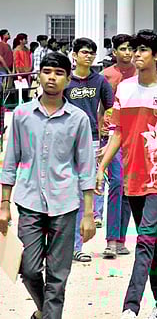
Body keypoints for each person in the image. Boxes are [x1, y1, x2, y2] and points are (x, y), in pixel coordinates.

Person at [95, 29, 157, 319]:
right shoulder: (125, 89)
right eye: (135, 50)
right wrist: (102, 167)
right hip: (132, 175)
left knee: (144, 239)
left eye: (143, 50)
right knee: (151, 240)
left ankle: (130, 307)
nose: (136, 55)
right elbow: (117, 133)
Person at [0, 52, 96, 319]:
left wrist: (88, 214)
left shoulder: (78, 119)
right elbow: (10, 162)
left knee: (58, 275)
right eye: (47, 72)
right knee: (28, 269)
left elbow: (87, 167)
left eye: (58, 73)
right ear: (39, 75)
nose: (52, 77)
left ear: (67, 79)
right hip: (29, 201)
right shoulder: (21, 115)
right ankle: (44, 311)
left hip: (65, 203)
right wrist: (4, 205)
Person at [64, 37, 114, 262]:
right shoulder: (65, 80)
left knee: (86, 190)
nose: (89, 56)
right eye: (84, 52)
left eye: (92, 53)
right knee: (66, 193)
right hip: (65, 142)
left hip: (92, 140)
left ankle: (76, 245)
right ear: (74, 55)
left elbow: (111, 109)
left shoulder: (100, 81)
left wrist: (109, 137)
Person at [98, 34, 136, 259]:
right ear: (114, 52)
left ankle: (121, 239)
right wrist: (101, 127)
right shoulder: (106, 75)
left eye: (130, 48)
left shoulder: (140, 73)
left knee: (128, 188)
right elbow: (101, 105)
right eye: (123, 48)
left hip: (136, 136)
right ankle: (111, 239)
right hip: (113, 135)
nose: (128, 52)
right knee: (115, 183)